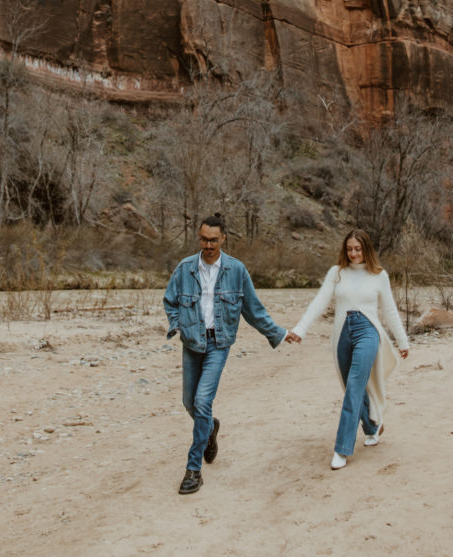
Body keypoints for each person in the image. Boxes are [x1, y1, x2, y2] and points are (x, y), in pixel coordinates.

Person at [164, 212, 294, 494]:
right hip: (192, 343)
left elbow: (254, 310)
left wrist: (280, 332)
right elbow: (170, 301)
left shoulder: (237, 271)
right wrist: (178, 326)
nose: (208, 245)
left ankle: (193, 470)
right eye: (203, 239)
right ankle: (210, 429)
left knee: (201, 402)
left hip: (218, 345)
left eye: (213, 240)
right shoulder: (185, 268)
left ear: (223, 239)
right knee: (190, 403)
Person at [288, 228, 409, 470]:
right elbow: (319, 302)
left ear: (367, 249)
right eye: (350, 249)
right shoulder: (337, 273)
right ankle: (374, 426)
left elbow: (390, 310)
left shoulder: (379, 275)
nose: (354, 253)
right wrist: (300, 329)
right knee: (352, 387)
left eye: (358, 249)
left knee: (354, 387)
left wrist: (402, 341)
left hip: (368, 332)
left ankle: (342, 449)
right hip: (342, 334)